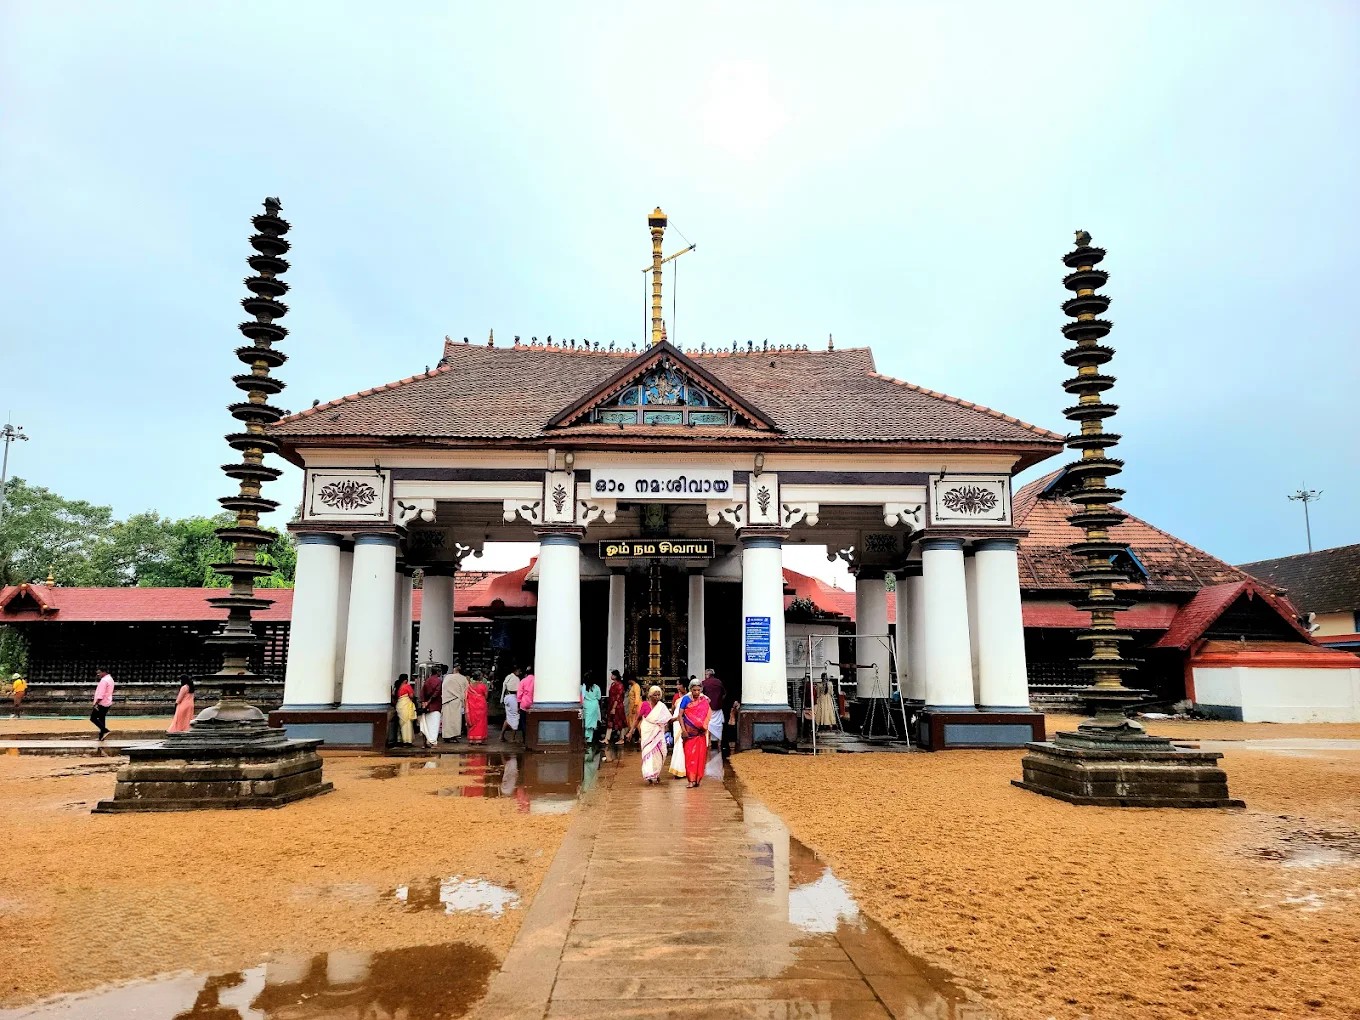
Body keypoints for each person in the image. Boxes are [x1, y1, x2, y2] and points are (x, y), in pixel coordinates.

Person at [677, 678, 713, 787]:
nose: (697, 692)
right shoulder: (686, 700)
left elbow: (707, 713)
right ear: (690, 690)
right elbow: (680, 715)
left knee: (700, 757)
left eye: (698, 690)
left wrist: (703, 726)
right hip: (689, 734)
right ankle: (691, 780)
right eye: (694, 690)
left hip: (700, 733)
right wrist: (683, 730)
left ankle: (697, 779)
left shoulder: (704, 700)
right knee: (689, 757)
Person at [638, 685, 673, 783]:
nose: (657, 697)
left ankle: (656, 772)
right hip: (647, 731)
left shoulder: (661, 706)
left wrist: (679, 717)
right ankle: (649, 774)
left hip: (659, 733)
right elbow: (638, 718)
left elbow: (668, 719)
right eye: (655, 695)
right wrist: (631, 731)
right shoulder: (645, 704)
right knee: (648, 752)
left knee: (662, 752)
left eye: (658, 695)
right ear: (650, 695)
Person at [442, 662, 468, 741]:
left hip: (447, 700)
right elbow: (466, 690)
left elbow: (443, 688)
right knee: (455, 720)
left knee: (447, 720)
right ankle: (453, 736)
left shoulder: (447, 677)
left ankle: (446, 736)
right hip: (456, 701)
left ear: (454, 669)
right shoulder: (463, 678)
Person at [701, 667, 725, 748]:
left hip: (708, 708)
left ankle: (710, 742)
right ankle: (719, 743)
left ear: (708, 675)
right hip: (718, 707)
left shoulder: (704, 683)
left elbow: (701, 695)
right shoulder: (719, 682)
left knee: (709, 724)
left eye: (705, 675)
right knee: (718, 725)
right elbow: (724, 694)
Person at [418, 669, 443, 748]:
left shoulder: (427, 680)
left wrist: (423, 702)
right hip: (435, 706)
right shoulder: (438, 681)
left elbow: (422, 692)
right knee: (434, 725)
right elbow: (436, 693)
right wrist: (428, 702)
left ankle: (424, 743)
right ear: (438, 672)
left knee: (425, 724)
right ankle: (433, 742)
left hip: (426, 707)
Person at [668, 683, 687, 779]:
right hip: (676, 724)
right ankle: (677, 768)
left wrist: (674, 719)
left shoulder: (689, 697)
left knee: (681, 746)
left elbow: (684, 713)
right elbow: (673, 708)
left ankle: (682, 769)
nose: (678, 688)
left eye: (680, 685)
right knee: (677, 746)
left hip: (683, 723)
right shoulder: (676, 696)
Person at [91, 667, 115, 742]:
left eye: (99, 673)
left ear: (103, 672)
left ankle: (105, 730)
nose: (98, 675)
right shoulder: (110, 679)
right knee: (102, 718)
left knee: (93, 718)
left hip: (102, 702)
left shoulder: (104, 681)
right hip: (108, 701)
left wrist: (96, 703)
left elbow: (101, 694)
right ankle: (101, 736)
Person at [465, 672, 489, 745]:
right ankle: (479, 739)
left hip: (472, 706)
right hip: (481, 706)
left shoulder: (469, 686)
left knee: (473, 721)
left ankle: (472, 739)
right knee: (481, 722)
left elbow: (466, 696)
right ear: (479, 677)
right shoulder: (483, 686)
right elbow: (486, 696)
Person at [604, 670, 627, 745]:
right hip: (611, 704)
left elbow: (618, 697)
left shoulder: (620, 685)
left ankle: (622, 738)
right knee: (610, 721)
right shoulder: (613, 684)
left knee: (620, 722)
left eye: (613, 675)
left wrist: (614, 707)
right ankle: (607, 738)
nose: (611, 676)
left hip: (617, 706)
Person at [501, 666, 523, 743]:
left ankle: (501, 736)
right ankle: (512, 738)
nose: (520, 673)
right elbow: (519, 691)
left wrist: (502, 700)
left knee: (508, 717)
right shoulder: (516, 679)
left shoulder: (508, 677)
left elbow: (504, 687)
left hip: (506, 697)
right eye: (519, 671)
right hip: (513, 698)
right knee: (515, 716)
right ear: (516, 671)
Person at [394, 674, 417, 746]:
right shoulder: (407, 686)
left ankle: (399, 739)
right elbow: (411, 696)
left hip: (399, 705)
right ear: (406, 680)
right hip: (406, 706)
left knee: (401, 723)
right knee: (407, 723)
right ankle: (407, 740)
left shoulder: (397, 687)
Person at [623, 672, 643, 743]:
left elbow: (637, 697)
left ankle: (641, 738)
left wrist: (635, 707)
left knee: (638, 723)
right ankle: (633, 737)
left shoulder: (636, 686)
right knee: (634, 723)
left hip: (636, 707)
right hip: (632, 707)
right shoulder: (633, 686)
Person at [581, 676, 602, 744]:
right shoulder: (596, 687)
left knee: (586, 721)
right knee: (592, 723)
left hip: (586, 705)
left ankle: (586, 736)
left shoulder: (582, 687)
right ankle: (589, 739)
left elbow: (581, 697)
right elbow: (599, 697)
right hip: (594, 706)